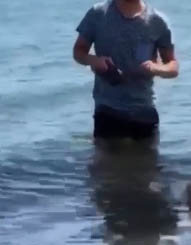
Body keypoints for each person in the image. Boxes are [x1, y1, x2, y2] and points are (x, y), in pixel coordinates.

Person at [72, 0, 179, 142]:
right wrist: (95, 61)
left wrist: (156, 68)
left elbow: (173, 66)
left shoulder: (157, 21)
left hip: (144, 111)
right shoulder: (98, 13)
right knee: (104, 162)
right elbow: (78, 51)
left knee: (148, 163)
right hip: (108, 110)